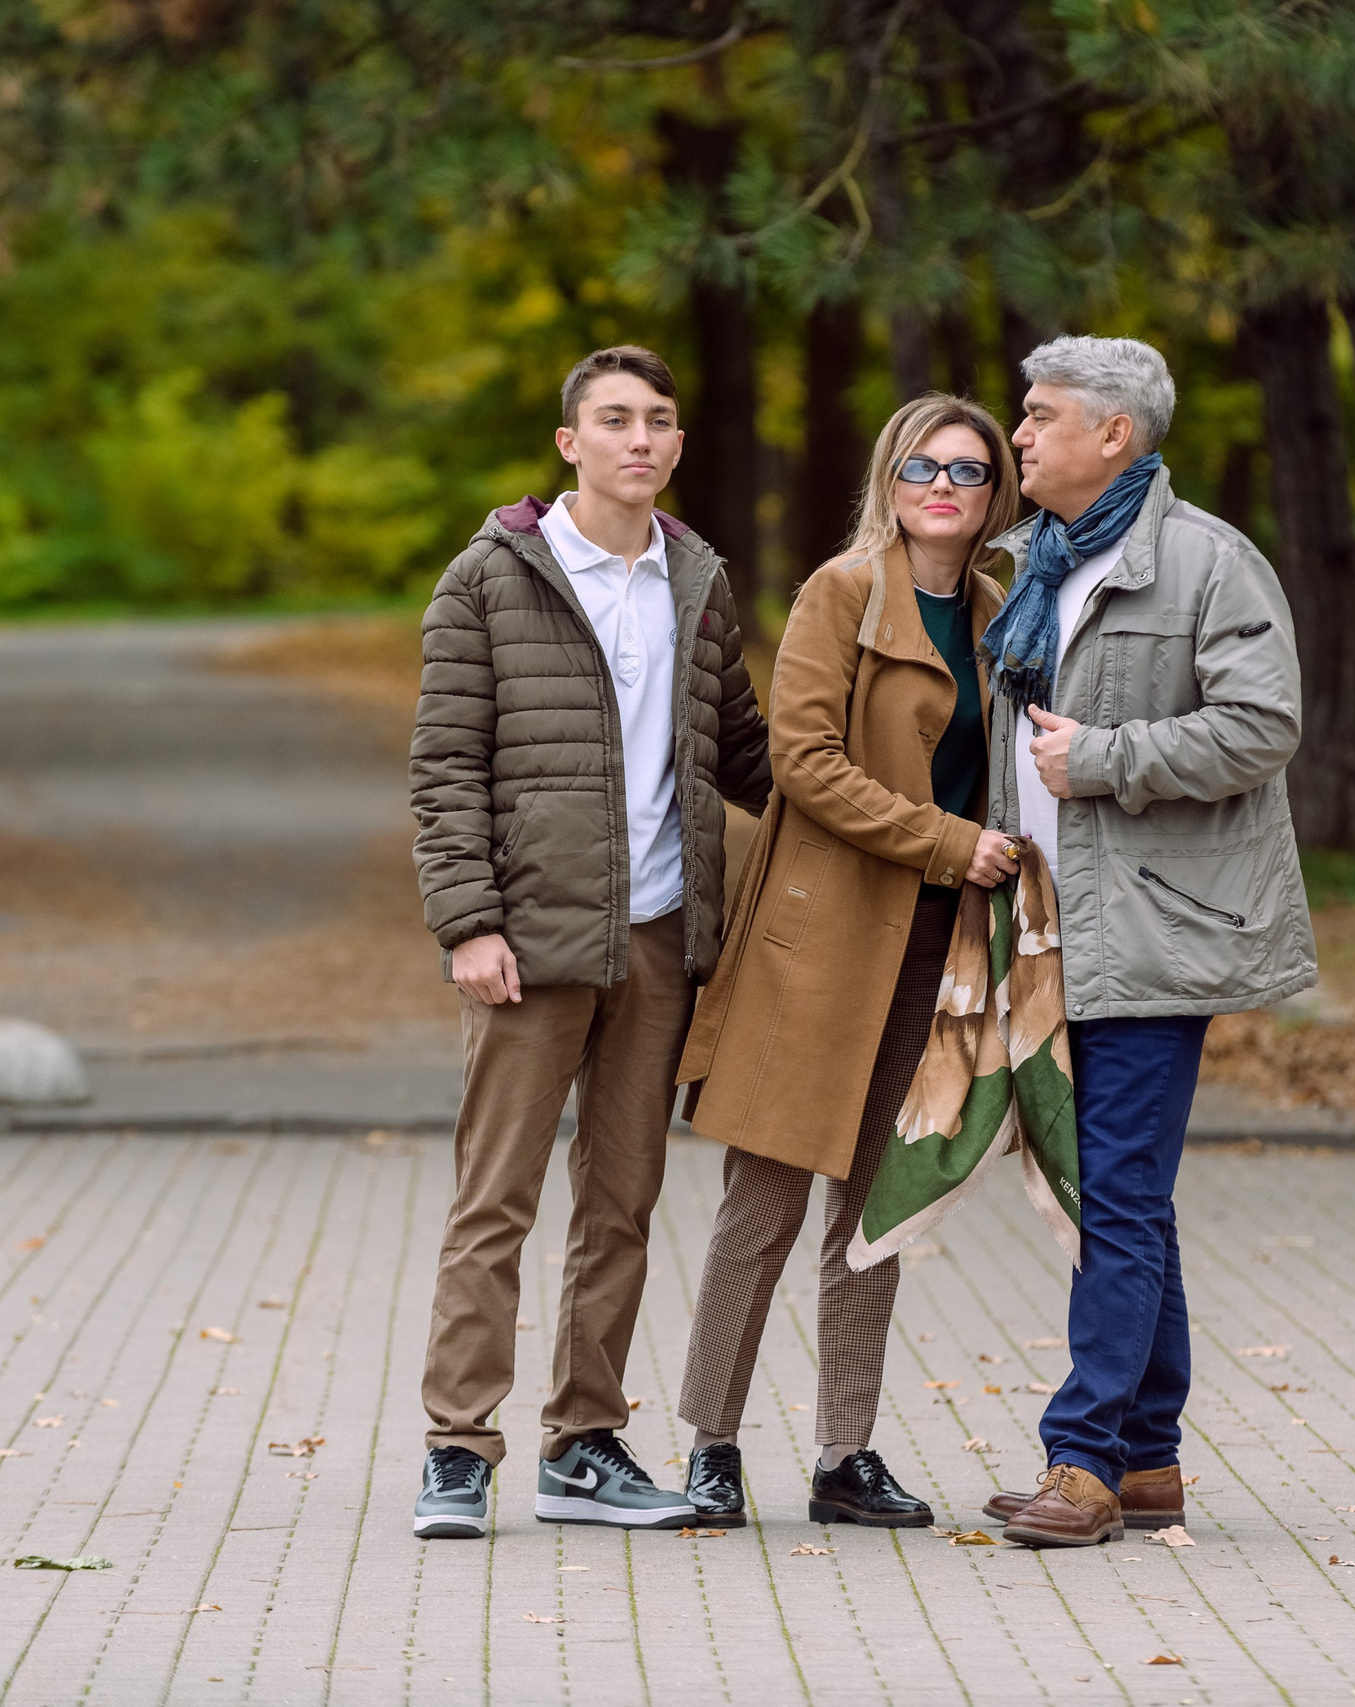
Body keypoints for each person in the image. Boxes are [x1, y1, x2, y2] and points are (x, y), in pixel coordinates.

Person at [408, 345, 773, 1539]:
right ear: (568, 442)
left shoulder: (698, 579)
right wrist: (468, 923)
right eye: (613, 420)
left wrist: (899, 812)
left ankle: (583, 1444)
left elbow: (749, 755)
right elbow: (445, 768)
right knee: (493, 1203)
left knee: (620, 1203)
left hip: (663, 938)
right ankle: (458, 1448)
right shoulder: (488, 579)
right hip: (528, 944)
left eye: (659, 421)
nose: (640, 440)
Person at [975, 336, 1317, 1548]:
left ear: (1114, 434)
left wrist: (1104, 761)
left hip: (1153, 928)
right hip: (1045, 927)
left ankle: (1082, 1461)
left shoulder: (1206, 561)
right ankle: (1152, 1458)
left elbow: (1262, 724)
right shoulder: (1033, 562)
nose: (1017, 434)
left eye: (1040, 415)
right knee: (1126, 1193)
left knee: (1114, 1189)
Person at [670, 394, 1024, 1528]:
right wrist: (946, 841)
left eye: (969, 473)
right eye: (924, 467)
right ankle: (710, 1448)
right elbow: (802, 761)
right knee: (762, 1204)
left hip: (935, 949)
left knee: (872, 1210)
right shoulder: (842, 592)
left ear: (994, 497)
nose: (944, 488)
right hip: (817, 944)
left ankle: (842, 1456)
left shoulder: (997, 609)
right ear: (890, 476)